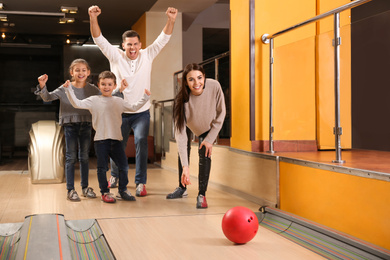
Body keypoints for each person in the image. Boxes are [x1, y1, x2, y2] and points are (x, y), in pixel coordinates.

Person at [88, 5, 178, 197]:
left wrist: (171, 20)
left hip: (141, 112)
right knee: (116, 146)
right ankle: (114, 175)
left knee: (140, 142)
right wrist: (93, 17)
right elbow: (98, 39)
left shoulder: (147, 55)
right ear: (123, 46)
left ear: (140, 44)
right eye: (129, 44)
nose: (133, 48)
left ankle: (140, 182)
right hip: (119, 112)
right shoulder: (115, 55)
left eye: (136, 44)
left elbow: (164, 39)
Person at [64, 71, 150, 203]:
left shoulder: (119, 101)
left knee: (124, 166)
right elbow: (77, 103)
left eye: (109, 84)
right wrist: (68, 89)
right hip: (101, 141)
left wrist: (145, 97)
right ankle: (105, 192)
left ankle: (122, 191)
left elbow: (134, 107)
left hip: (116, 140)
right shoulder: (94, 100)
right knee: (102, 168)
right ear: (99, 85)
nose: (106, 87)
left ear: (114, 85)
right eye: (103, 84)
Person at [35, 59, 100, 202]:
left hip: (86, 124)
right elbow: (47, 98)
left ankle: (84, 188)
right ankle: (71, 190)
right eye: (77, 70)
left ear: (88, 72)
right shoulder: (65, 87)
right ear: (71, 72)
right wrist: (42, 85)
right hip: (70, 125)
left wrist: (120, 91)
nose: (80, 73)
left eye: (83, 70)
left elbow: (106, 99)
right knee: (71, 157)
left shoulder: (93, 89)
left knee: (84, 157)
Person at [166, 63, 226, 208]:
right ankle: (182, 188)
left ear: (204, 77)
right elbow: (180, 136)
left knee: (205, 152)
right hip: (189, 124)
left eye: (199, 78)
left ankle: (202, 194)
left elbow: (221, 113)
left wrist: (210, 139)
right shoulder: (181, 101)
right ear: (186, 82)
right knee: (183, 151)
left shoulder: (214, 86)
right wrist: (185, 167)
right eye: (191, 79)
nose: (196, 83)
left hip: (206, 125)